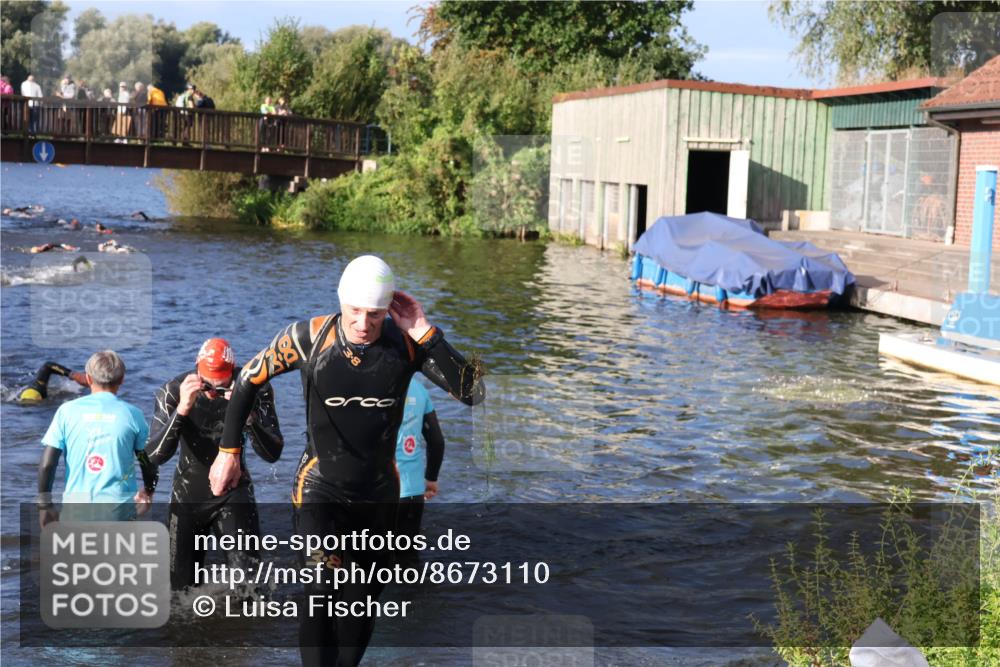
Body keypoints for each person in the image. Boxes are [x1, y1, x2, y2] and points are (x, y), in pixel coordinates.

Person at [209, 254, 484, 667]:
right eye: (355, 311)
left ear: (387, 309)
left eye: (374, 314)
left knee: (360, 603)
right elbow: (248, 379)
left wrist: (425, 331)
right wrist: (228, 454)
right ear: (342, 302)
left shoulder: (406, 343)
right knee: (319, 592)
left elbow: (472, 392)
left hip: (377, 494)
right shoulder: (308, 338)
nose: (363, 323)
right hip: (319, 486)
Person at [145, 338, 284, 590]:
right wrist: (183, 409)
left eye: (220, 388)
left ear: (232, 374)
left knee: (250, 589)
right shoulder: (173, 390)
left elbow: (272, 452)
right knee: (179, 594)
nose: (212, 393)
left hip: (234, 492)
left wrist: (248, 415)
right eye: (207, 386)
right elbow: (154, 455)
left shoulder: (254, 387)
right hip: (188, 495)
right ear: (197, 370)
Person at [37, 350, 157, 527]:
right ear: (122, 379)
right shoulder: (133, 415)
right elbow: (147, 461)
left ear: (88, 378)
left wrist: (45, 504)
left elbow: (48, 464)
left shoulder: (66, 412)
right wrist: (148, 491)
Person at [394, 377, 445, 561]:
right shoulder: (419, 389)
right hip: (414, 492)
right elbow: (437, 441)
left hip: (382, 489)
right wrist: (431, 479)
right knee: (408, 558)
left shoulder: (372, 386)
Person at [18, 361, 89, 403]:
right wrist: (74, 375)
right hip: (31, 396)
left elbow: (48, 366)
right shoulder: (31, 398)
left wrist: (73, 375)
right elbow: (47, 366)